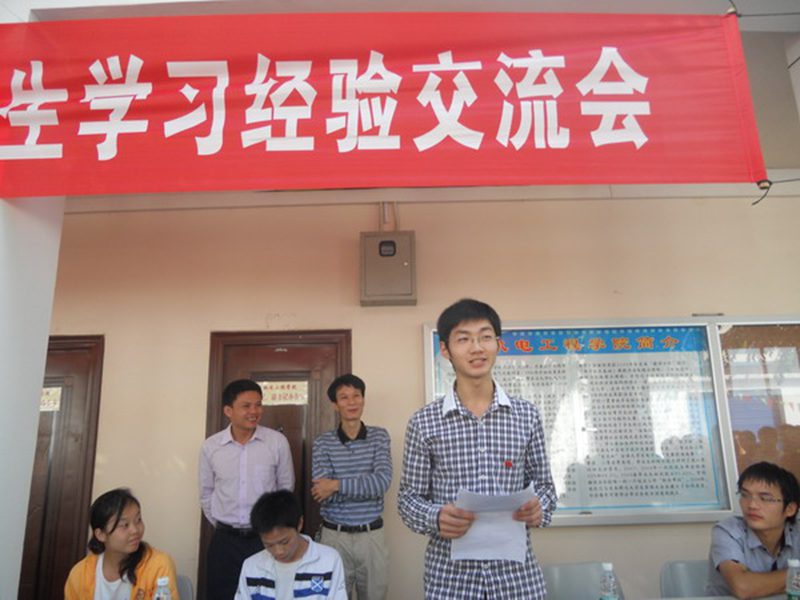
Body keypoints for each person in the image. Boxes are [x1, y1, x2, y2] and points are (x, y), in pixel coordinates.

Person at [398, 298, 557, 599]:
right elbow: (408, 500)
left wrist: (540, 507)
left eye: (485, 337)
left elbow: (546, 488)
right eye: (463, 339)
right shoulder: (424, 422)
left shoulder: (526, 415)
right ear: (445, 350)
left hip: (517, 579)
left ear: (498, 344)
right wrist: (436, 516)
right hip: (451, 581)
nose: (477, 348)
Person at [199, 378, 295, 600]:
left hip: (265, 539)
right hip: (225, 541)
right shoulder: (211, 447)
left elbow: (286, 490)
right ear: (228, 411)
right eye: (246, 406)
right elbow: (206, 493)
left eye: (258, 405)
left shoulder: (276, 442)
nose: (254, 411)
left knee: (267, 595)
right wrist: (224, 523)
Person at [311, 373, 392, 599]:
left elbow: (381, 483)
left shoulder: (379, 437)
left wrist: (336, 484)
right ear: (335, 405)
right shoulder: (323, 442)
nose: (352, 402)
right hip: (334, 536)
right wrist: (362, 486)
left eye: (356, 396)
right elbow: (322, 493)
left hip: (371, 536)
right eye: (344, 397)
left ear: (363, 399)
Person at [64, 488, 179, 599]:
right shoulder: (80, 575)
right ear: (101, 534)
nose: (135, 530)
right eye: (124, 525)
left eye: (138, 520)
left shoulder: (159, 565)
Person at [706, 461, 800, 598]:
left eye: (765, 498)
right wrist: (794, 576)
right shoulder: (727, 531)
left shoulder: (797, 530)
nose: (752, 505)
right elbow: (743, 587)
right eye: (745, 495)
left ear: (790, 509)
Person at [235, 490, 348, 600]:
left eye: (284, 542)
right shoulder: (252, 567)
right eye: (269, 545)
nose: (279, 551)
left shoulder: (328, 560)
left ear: (299, 524)